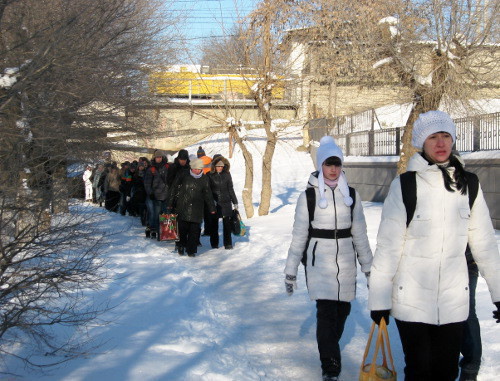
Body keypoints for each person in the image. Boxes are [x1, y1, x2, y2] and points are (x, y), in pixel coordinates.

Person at [368, 110, 500, 381]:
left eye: (445, 136)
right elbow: (388, 247)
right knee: (419, 371)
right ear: (422, 143)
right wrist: (379, 299)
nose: (441, 144)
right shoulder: (405, 185)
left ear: (452, 141)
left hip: (453, 302)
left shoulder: (468, 184)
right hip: (412, 300)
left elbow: (485, 245)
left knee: (447, 371)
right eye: (433, 137)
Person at [284, 136, 373, 381]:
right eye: (328, 164)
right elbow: (299, 235)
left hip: (345, 260)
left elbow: (360, 234)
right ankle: (330, 364)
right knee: (326, 313)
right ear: (321, 165)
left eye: (337, 164)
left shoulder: (351, 196)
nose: (333, 169)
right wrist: (290, 271)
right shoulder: (308, 197)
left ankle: (329, 346)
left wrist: (369, 267)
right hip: (318, 261)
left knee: (343, 311)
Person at [167, 158, 216, 257]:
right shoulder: (183, 174)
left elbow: (208, 194)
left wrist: (212, 207)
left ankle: (191, 250)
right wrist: (170, 202)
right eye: (195, 169)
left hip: (197, 207)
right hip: (183, 205)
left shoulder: (205, 178)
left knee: (194, 230)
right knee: (182, 229)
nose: (197, 171)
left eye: (199, 169)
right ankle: (181, 245)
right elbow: (174, 188)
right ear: (191, 168)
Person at [207, 156, 238, 250]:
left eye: (222, 166)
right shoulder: (209, 175)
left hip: (226, 202)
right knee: (214, 225)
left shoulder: (227, 175)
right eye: (218, 166)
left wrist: (235, 201)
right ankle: (214, 244)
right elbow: (207, 190)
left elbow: (230, 189)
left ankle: (228, 244)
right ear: (214, 166)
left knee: (227, 225)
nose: (220, 168)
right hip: (215, 203)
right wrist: (211, 201)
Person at [144, 150, 170, 239]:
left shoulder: (168, 167)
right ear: (154, 158)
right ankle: (154, 229)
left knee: (166, 214)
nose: (158, 159)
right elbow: (147, 183)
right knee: (156, 214)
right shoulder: (151, 169)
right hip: (156, 195)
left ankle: (166, 232)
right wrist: (150, 193)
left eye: (160, 157)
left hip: (166, 194)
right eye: (157, 157)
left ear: (162, 158)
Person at [197, 146, 213, 236]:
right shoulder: (211, 160)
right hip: (212, 187)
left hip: (203, 187)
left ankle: (205, 230)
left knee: (203, 211)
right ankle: (210, 229)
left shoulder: (198, 162)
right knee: (210, 211)